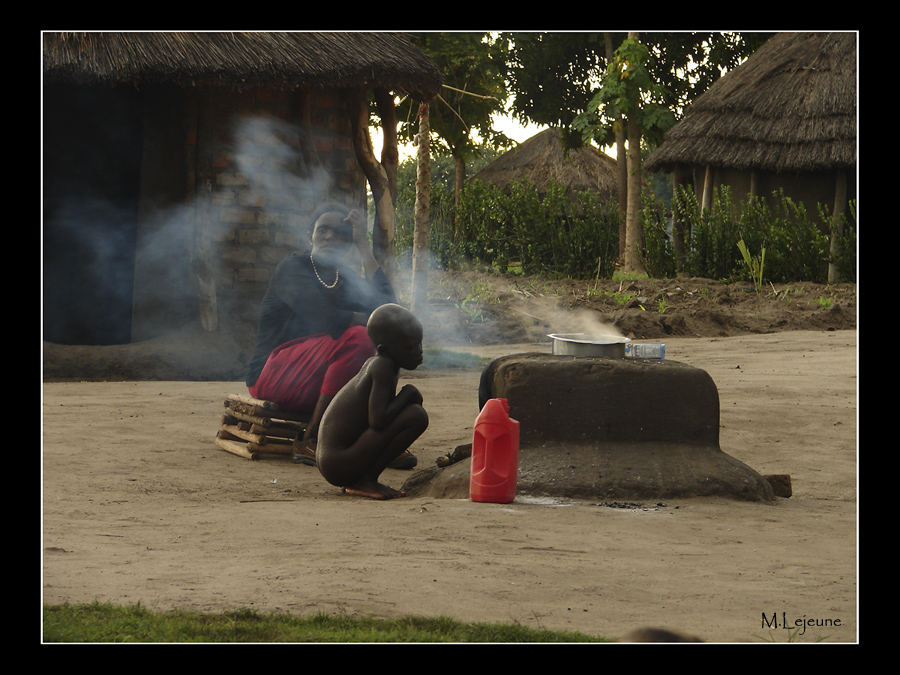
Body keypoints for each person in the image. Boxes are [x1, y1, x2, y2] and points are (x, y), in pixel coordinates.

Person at [246, 203, 416, 470]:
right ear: (309, 236)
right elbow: (323, 315)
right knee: (360, 338)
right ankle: (312, 437)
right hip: (274, 374)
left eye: (340, 234)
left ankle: (377, 437)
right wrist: (368, 320)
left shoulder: (344, 279)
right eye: (323, 230)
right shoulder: (292, 268)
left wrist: (363, 244)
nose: (330, 236)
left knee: (384, 342)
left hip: (321, 378)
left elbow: (387, 308)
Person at [316, 303, 429, 500]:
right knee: (416, 416)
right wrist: (407, 394)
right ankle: (365, 481)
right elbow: (378, 420)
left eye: (420, 343)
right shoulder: (382, 366)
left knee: (412, 412)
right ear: (385, 349)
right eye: (410, 347)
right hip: (337, 462)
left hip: (337, 461)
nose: (419, 351)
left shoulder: (386, 362)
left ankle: (363, 479)